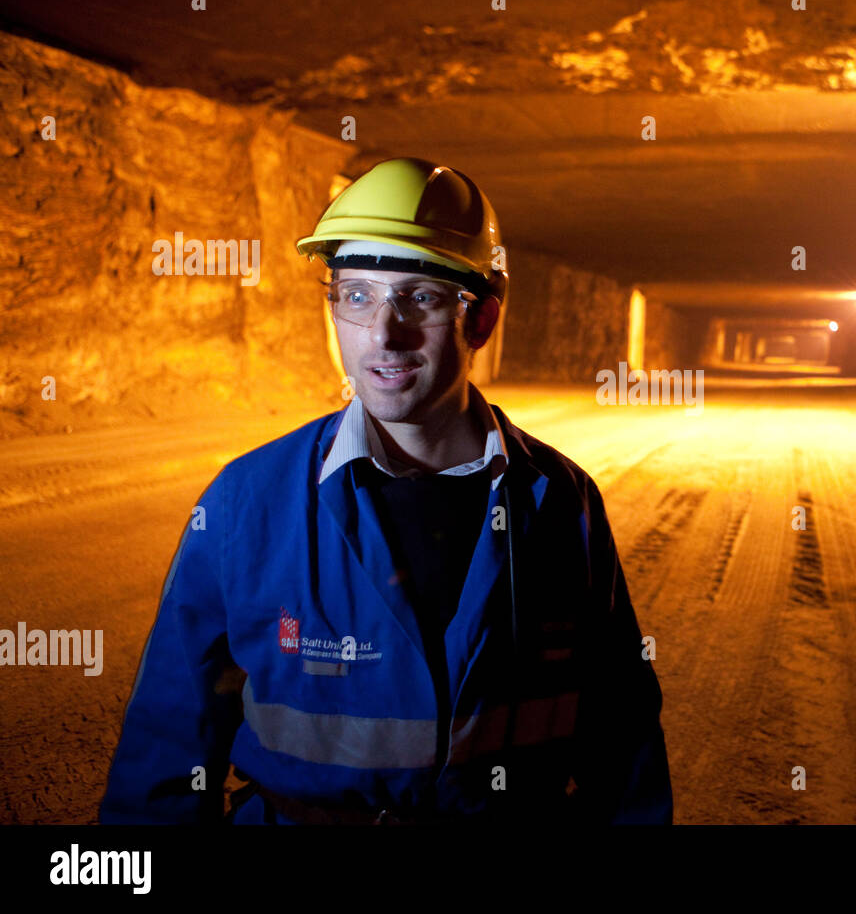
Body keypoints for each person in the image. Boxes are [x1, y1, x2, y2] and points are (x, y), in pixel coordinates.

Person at [99, 157, 672, 824]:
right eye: (357, 295)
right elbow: (168, 740)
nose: (383, 333)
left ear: (480, 319)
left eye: (419, 297)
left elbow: (621, 730)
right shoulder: (246, 502)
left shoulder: (560, 502)